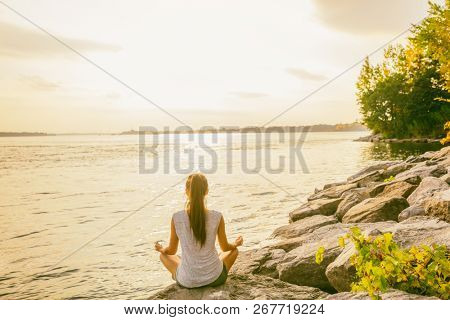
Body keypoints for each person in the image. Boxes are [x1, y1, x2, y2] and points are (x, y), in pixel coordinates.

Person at [154, 173, 243, 288]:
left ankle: (187, 273)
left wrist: (161, 249)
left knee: (163, 256)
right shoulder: (217, 217)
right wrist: (236, 243)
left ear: (186, 191)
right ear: (206, 191)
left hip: (187, 282)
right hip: (215, 279)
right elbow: (225, 248)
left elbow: (171, 251)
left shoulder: (176, 218)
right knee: (233, 251)